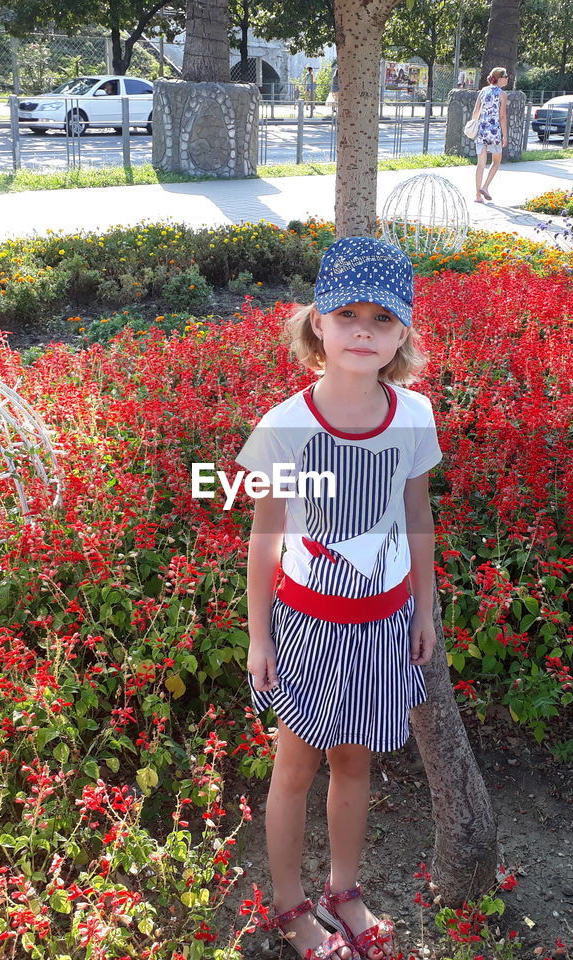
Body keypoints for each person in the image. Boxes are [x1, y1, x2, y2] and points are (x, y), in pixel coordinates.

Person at [238, 236, 441, 960]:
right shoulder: (286, 427)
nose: (363, 331)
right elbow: (265, 539)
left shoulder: (414, 416)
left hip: (382, 624)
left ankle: (343, 890)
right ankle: (291, 907)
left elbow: (417, 517)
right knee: (295, 768)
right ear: (316, 323)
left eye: (381, 320)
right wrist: (259, 637)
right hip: (308, 627)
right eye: (346, 314)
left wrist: (422, 608)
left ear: (402, 335)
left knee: (355, 762)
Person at [473, 66, 510, 203]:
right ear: (499, 78)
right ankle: (485, 187)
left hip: (482, 131)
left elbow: (476, 112)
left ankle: (477, 195)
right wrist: (505, 135)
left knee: (480, 164)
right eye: (505, 76)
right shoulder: (502, 94)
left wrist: (475, 126)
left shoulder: (483, 91)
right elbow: (502, 117)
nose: (507, 79)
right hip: (494, 133)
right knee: (496, 161)